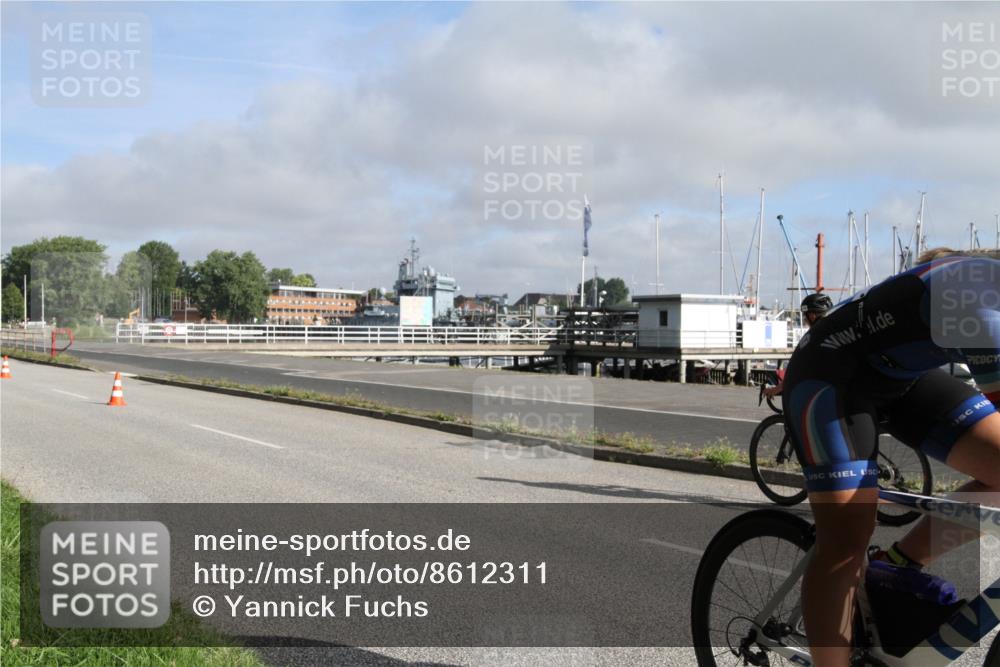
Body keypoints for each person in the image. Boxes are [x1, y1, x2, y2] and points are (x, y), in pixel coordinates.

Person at [782, 248, 1000, 666]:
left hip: (904, 376)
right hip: (829, 374)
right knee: (846, 540)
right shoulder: (982, 307)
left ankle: (895, 565)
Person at [762, 292, 834, 399]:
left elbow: (798, 371)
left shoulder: (815, 337)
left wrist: (776, 389)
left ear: (812, 316)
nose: (804, 320)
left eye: (805, 316)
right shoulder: (833, 332)